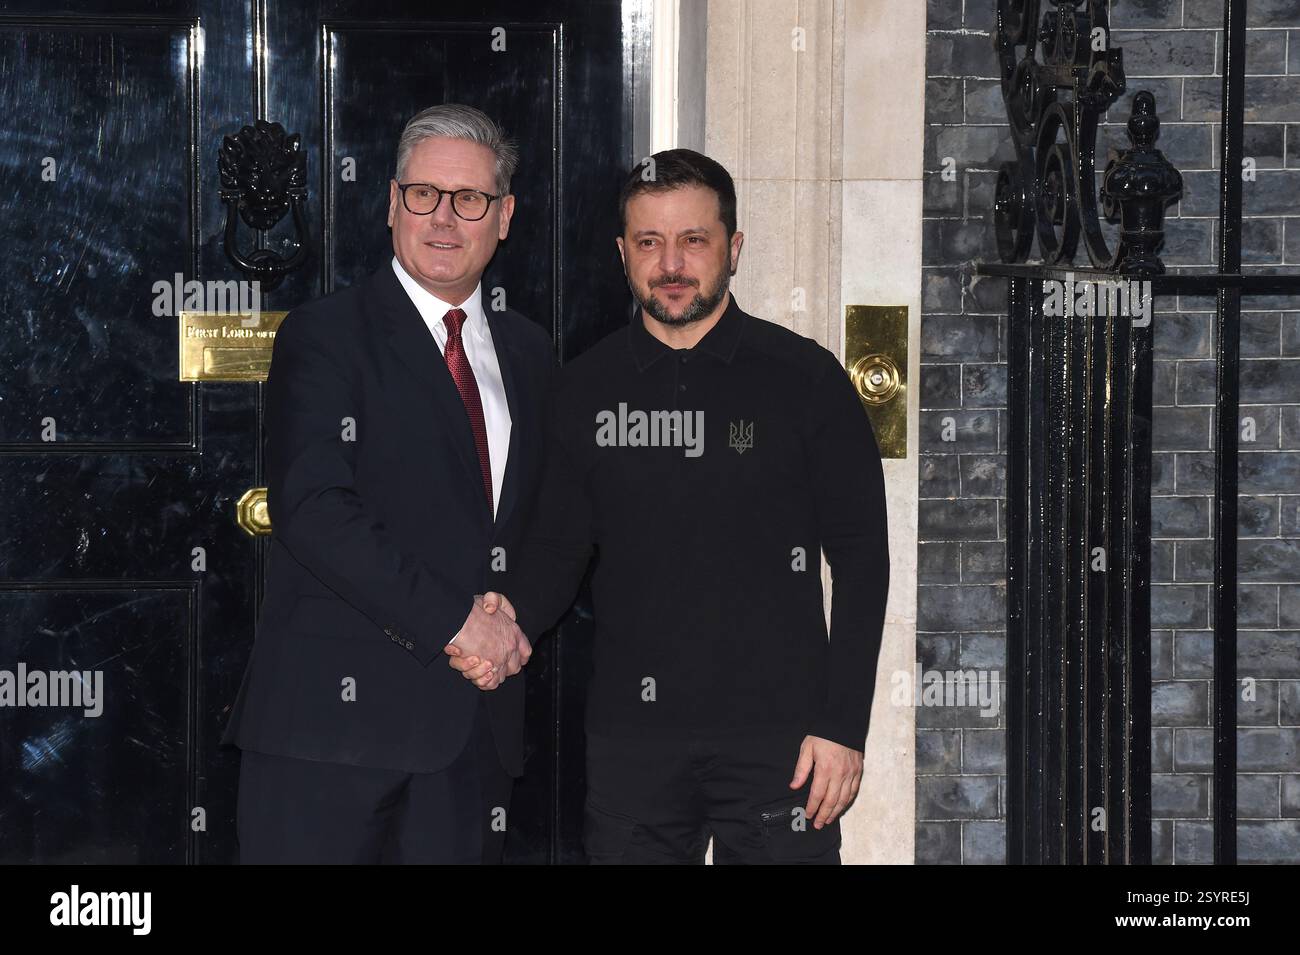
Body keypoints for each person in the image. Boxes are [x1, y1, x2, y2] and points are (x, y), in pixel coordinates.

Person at [448, 148, 890, 864]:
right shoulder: (581, 391)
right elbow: (561, 549)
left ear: (733, 248)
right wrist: (505, 625)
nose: (672, 263)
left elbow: (864, 561)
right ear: (624, 253)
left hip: (782, 743)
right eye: (650, 242)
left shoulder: (806, 380)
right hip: (634, 746)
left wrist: (844, 726)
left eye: (694, 240)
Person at [222, 104, 547, 864]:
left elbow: (545, 518)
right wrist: (457, 624)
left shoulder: (530, 351)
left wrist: (513, 619)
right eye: (424, 194)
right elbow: (315, 510)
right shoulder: (324, 334)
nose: (444, 217)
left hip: (471, 738)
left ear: (503, 217)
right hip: (329, 740)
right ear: (393, 204)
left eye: (469, 200)